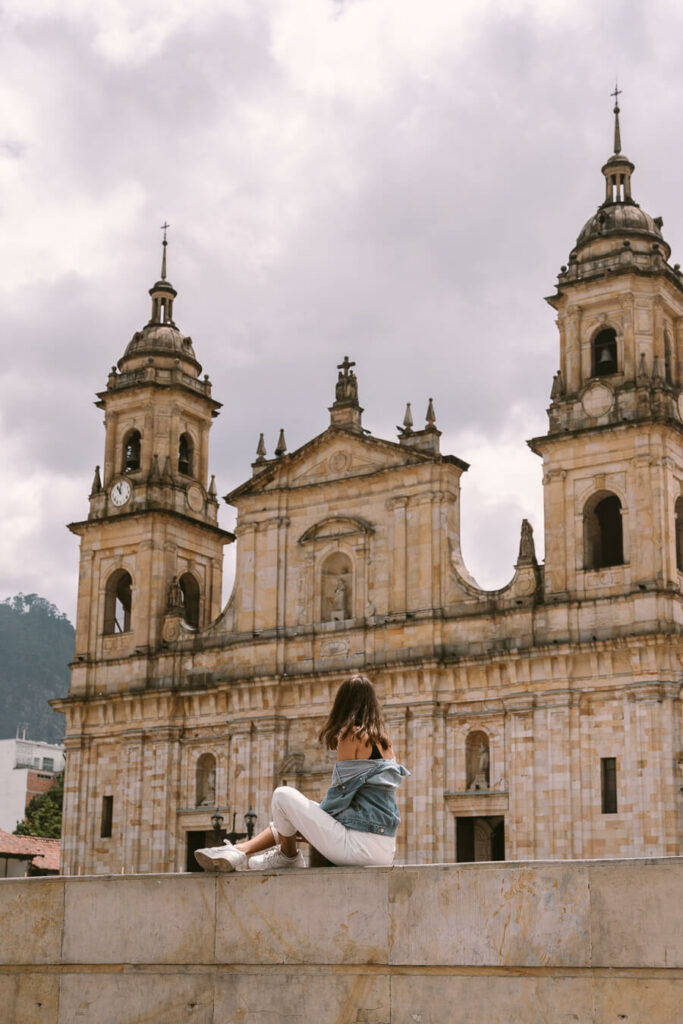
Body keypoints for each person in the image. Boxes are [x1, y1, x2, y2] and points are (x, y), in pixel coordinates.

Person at [194, 674, 409, 872]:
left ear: (342, 704)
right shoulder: (385, 744)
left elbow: (336, 802)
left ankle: (285, 855)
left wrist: (302, 827)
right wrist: (303, 825)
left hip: (359, 848)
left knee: (282, 796)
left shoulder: (351, 736)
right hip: (384, 849)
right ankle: (240, 851)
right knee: (297, 813)